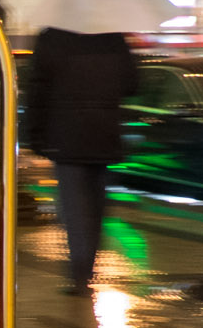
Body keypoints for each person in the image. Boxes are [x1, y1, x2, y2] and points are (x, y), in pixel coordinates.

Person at [23, 27, 138, 296]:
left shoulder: (52, 38)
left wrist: (34, 135)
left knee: (73, 208)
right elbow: (133, 84)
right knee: (96, 208)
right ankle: (88, 269)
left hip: (66, 137)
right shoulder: (113, 37)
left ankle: (79, 275)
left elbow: (36, 91)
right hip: (104, 133)